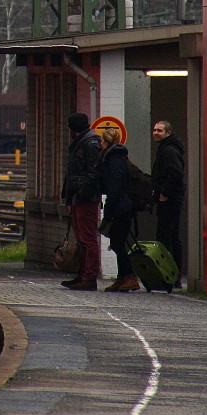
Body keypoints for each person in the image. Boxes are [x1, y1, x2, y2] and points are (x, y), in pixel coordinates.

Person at [61, 112, 103, 289]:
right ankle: (83, 274)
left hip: (85, 198)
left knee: (88, 238)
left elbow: (94, 173)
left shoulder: (90, 143)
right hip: (78, 197)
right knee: (82, 238)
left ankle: (89, 276)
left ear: (74, 128)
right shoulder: (82, 142)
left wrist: (81, 193)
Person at [99, 127, 140, 292]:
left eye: (102, 140)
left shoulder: (114, 160)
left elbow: (114, 188)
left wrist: (108, 212)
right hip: (124, 206)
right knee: (118, 242)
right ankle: (122, 277)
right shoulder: (119, 157)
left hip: (121, 208)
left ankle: (129, 276)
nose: (100, 144)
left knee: (117, 243)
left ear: (106, 141)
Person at [151, 119, 186, 279]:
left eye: (159, 130)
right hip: (172, 198)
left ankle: (169, 273)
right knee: (172, 236)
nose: (156, 133)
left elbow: (175, 173)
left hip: (169, 200)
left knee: (166, 236)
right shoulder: (168, 149)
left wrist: (164, 193)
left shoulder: (168, 151)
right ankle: (173, 274)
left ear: (168, 132)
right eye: (155, 130)